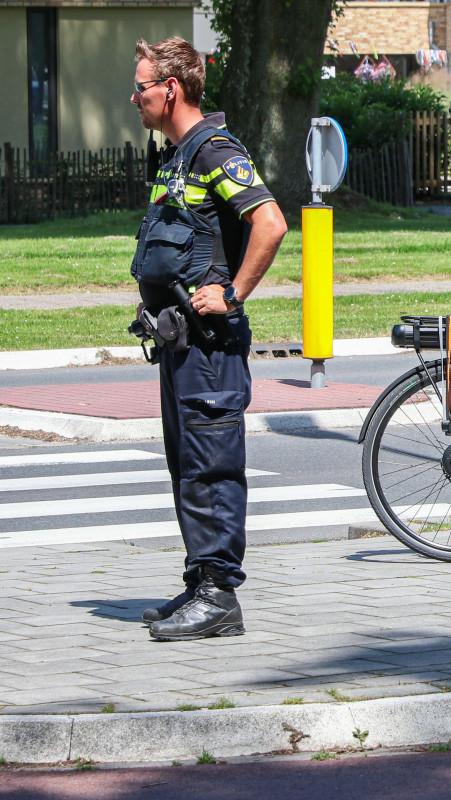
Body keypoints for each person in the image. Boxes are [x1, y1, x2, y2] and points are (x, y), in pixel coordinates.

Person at [129, 36, 287, 641]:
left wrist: (233, 293)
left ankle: (221, 595)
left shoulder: (216, 151)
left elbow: (269, 223)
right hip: (178, 342)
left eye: (140, 87)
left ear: (171, 88)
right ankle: (201, 582)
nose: (135, 98)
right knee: (188, 466)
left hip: (211, 344)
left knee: (212, 466)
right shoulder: (175, 157)